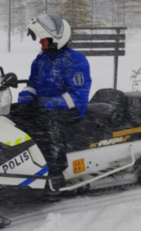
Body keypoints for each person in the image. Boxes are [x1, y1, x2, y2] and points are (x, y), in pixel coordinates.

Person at [17, 14, 92, 187]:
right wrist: (25, 101)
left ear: (55, 39)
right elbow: (32, 83)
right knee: (15, 116)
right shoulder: (41, 59)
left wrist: (49, 105)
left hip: (70, 109)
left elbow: (78, 95)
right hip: (45, 105)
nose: (40, 43)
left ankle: (56, 171)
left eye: (43, 40)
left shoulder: (75, 60)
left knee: (47, 124)